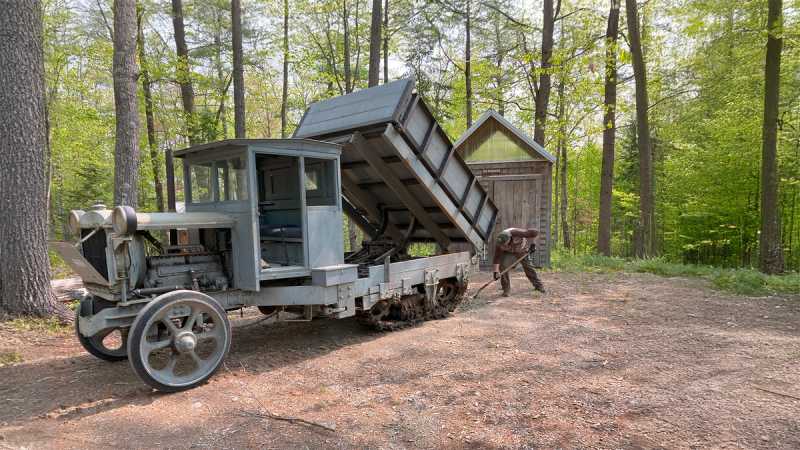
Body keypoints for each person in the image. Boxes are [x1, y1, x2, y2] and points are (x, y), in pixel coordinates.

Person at [492, 228, 545, 296]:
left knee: (528, 267)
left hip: (521, 249)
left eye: (504, 244)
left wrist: (533, 244)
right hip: (508, 252)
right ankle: (506, 289)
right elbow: (496, 258)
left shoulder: (517, 233)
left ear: (509, 239)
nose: (502, 246)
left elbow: (535, 232)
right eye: (501, 245)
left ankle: (538, 285)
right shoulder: (499, 244)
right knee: (503, 266)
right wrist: (495, 272)